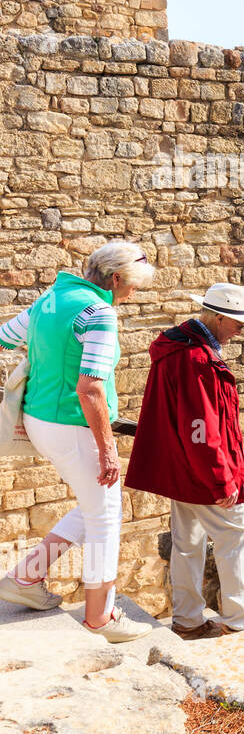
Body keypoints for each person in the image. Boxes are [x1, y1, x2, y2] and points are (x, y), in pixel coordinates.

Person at [0, 242, 154, 642]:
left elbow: (5, 337)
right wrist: (108, 451)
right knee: (106, 516)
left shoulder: (50, 299)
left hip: (38, 420)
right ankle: (101, 617)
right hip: (74, 427)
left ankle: (26, 577)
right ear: (116, 279)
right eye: (133, 286)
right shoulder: (99, 312)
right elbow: (90, 389)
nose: (133, 294)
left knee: (93, 506)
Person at [126, 282, 244, 639]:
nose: (242, 329)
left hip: (180, 469)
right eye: (238, 322)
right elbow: (201, 427)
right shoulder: (197, 360)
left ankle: (188, 620)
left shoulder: (177, 350)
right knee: (239, 534)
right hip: (201, 471)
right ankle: (243, 623)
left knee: (188, 542)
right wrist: (222, 480)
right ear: (218, 317)